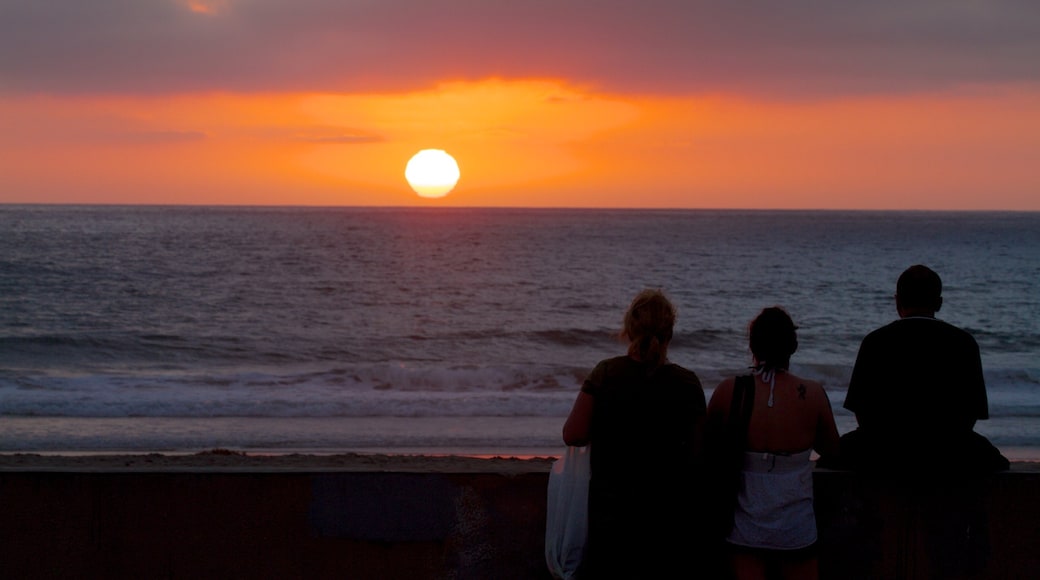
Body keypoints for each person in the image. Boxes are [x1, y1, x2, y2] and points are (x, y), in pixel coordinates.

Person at [562, 288, 709, 578]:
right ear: (670, 334)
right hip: (668, 519)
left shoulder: (605, 373)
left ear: (629, 329)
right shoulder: (687, 384)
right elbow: (698, 457)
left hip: (612, 517)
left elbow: (573, 434)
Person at [706, 306, 839, 580]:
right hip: (796, 527)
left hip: (744, 526)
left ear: (753, 345)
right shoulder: (812, 394)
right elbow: (833, 451)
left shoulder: (728, 391)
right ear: (793, 346)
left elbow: (706, 451)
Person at [838, 264, 1009, 473]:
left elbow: (862, 413)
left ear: (897, 301)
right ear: (939, 303)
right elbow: (972, 413)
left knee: (834, 454)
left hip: (883, 447)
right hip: (949, 447)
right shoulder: (963, 342)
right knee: (996, 461)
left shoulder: (875, 341)